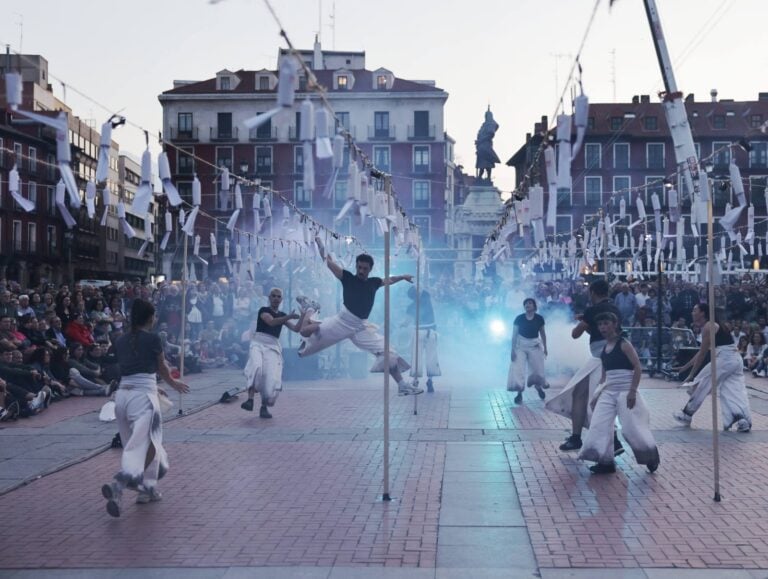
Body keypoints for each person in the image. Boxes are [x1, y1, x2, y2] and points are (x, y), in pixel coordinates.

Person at [297, 237, 421, 396]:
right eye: (360, 267)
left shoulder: (374, 282)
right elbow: (328, 262)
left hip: (360, 327)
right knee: (306, 334)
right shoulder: (347, 277)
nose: (361, 271)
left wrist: (403, 276)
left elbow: (389, 280)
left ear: (370, 269)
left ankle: (402, 385)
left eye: (365, 268)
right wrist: (321, 246)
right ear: (356, 266)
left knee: (387, 352)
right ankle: (310, 310)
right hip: (342, 322)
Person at [101, 299, 189, 518]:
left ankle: (146, 489)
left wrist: (155, 387)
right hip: (143, 398)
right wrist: (172, 383)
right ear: (150, 318)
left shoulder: (120, 340)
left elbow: (133, 370)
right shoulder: (153, 338)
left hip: (123, 396)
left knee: (145, 443)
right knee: (142, 445)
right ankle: (119, 483)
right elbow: (161, 366)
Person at [546, 279, 624, 455]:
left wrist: (583, 321)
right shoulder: (615, 310)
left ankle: (608, 439)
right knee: (591, 395)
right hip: (612, 357)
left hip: (600, 358)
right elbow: (603, 331)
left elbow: (575, 334)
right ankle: (580, 437)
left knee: (595, 398)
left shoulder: (593, 310)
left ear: (593, 293)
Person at [578, 312, 660, 474]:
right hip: (609, 391)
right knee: (599, 424)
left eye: (606, 324)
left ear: (614, 324)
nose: (603, 327)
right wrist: (598, 393)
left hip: (625, 390)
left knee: (631, 428)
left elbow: (637, 367)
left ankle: (650, 456)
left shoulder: (624, 344)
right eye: (600, 324)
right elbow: (604, 373)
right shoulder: (603, 348)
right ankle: (605, 461)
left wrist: (632, 391)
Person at [672, 304, 752, 432]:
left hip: (725, 360)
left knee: (702, 382)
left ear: (702, 313)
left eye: (695, 310)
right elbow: (701, 352)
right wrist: (685, 367)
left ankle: (687, 414)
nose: (692, 312)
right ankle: (741, 420)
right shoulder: (714, 325)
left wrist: (692, 374)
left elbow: (703, 353)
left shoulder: (709, 326)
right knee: (732, 390)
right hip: (735, 360)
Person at [240, 288, 302, 418]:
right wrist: (289, 317)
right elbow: (271, 322)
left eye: (278, 296)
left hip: (273, 345)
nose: (276, 298)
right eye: (273, 296)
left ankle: (264, 407)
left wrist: (303, 315)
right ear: (269, 297)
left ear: (281, 299)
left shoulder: (283, 315)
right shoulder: (264, 310)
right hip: (258, 342)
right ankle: (250, 399)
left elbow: (296, 329)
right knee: (256, 367)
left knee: (269, 376)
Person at [508, 298, 548, 404]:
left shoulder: (539, 319)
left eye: (530, 303)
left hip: (534, 345)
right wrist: (512, 350)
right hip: (520, 345)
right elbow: (514, 335)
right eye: (526, 303)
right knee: (519, 369)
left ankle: (538, 387)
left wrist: (545, 348)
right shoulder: (519, 318)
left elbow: (543, 334)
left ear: (534, 306)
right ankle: (519, 393)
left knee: (537, 369)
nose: (527, 305)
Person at [406, 286, 441, 393]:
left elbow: (407, 321)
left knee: (417, 356)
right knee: (431, 357)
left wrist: (401, 325)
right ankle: (430, 380)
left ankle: (415, 380)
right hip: (430, 332)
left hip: (419, 332)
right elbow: (424, 290)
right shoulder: (427, 299)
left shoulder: (411, 307)